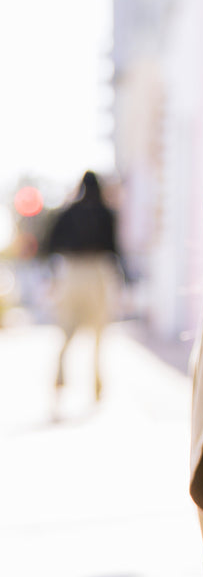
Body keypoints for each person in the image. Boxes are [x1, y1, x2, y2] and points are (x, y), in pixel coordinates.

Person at [42, 170, 121, 410]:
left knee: (67, 331)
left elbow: (49, 244)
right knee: (98, 335)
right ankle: (96, 389)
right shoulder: (106, 213)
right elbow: (115, 248)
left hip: (72, 272)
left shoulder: (68, 213)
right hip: (97, 271)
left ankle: (59, 382)